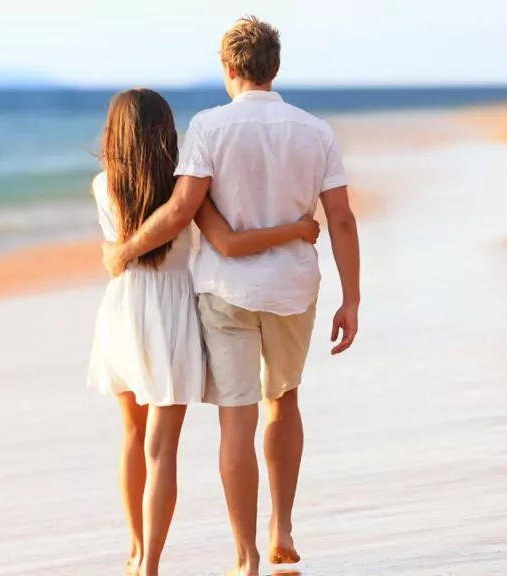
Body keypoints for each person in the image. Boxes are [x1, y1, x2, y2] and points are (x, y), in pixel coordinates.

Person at [101, 17, 361, 576]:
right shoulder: (316, 131)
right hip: (293, 288)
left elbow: (179, 210)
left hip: (226, 291)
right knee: (284, 400)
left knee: (235, 421)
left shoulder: (210, 127)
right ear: (275, 67)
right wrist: (352, 299)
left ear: (228, 69)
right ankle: (282, 527)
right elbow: (340, 218)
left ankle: (244, 557)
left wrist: (123, 253)